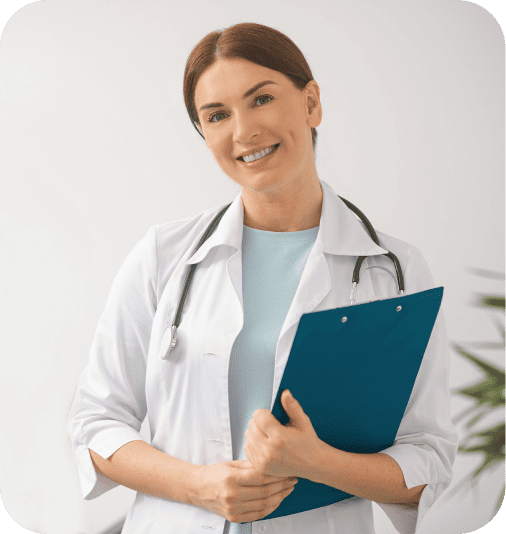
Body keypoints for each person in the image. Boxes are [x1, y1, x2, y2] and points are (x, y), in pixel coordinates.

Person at [67, 22, 459, 534]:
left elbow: (429, 459)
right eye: (217, 115)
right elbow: (95, 425)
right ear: (204, 134)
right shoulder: (164, 257)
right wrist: (198, 486)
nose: (243, 131)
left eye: (262, 99)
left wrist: (318, 462)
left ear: (311, 103)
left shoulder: (395, 269)